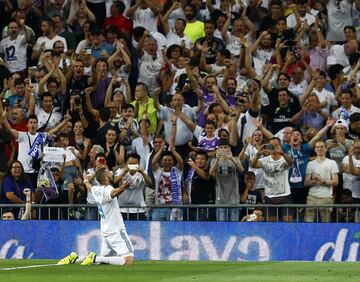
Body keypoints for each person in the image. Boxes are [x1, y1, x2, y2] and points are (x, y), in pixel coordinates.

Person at [58, 167, 134, 266]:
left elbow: (88, 186)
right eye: (109, 173)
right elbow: (113, 193)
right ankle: (93, 258)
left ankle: (76, 258)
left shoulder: (96, 189)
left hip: (106, 231)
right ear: (106, 179)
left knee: (103, 261)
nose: (111, 173)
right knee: (128, 261)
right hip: (116, 230)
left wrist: (85, 180)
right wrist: (123, 187)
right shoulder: (108, 189)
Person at [250, 137, 293, 222]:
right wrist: (258, 154)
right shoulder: (265, 160)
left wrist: (283, 153)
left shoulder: (284, 159)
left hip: (284, 196)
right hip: (269, 197)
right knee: (271, 226)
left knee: (288, 226)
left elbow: (291, 163)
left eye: (276, 145)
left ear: (280, 146)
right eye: (271, 146)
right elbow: (253, 164)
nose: (274, 148)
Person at [304, 140, 339, 223]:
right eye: (317, 147)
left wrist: (323, 181)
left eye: (322, 147)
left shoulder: (332, 163)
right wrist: (314, 181)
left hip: (326, 197)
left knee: (325, 224)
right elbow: (306, 183)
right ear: (315, 150)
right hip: (312, 197)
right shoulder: (310, 164)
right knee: (308, 224)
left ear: (326, 149)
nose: (320, 149)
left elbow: (336, 181)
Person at [209, 139, 244, 222]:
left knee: (234, 226)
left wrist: (231, 159)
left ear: (229, 148)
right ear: (218, 149)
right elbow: (211, 173)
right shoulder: (214, 160)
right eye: (221, 147)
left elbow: (242, 170)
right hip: (220, 200)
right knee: (221, 227)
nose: (223, 149)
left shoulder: (235, 159)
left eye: (225, 147)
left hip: (234, 199)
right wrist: (217, 160)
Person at [114, 153, 152, 220]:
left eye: (135, 164)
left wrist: (142, 172)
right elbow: (115, 181)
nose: (132, 166)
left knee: (139, 230)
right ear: (126, 163)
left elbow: (150, 183)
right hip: (122, 209)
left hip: (139, 209)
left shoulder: (142, 172)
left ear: (139, 164)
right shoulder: (120, 171)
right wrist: (124, 172)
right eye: (130, 164)